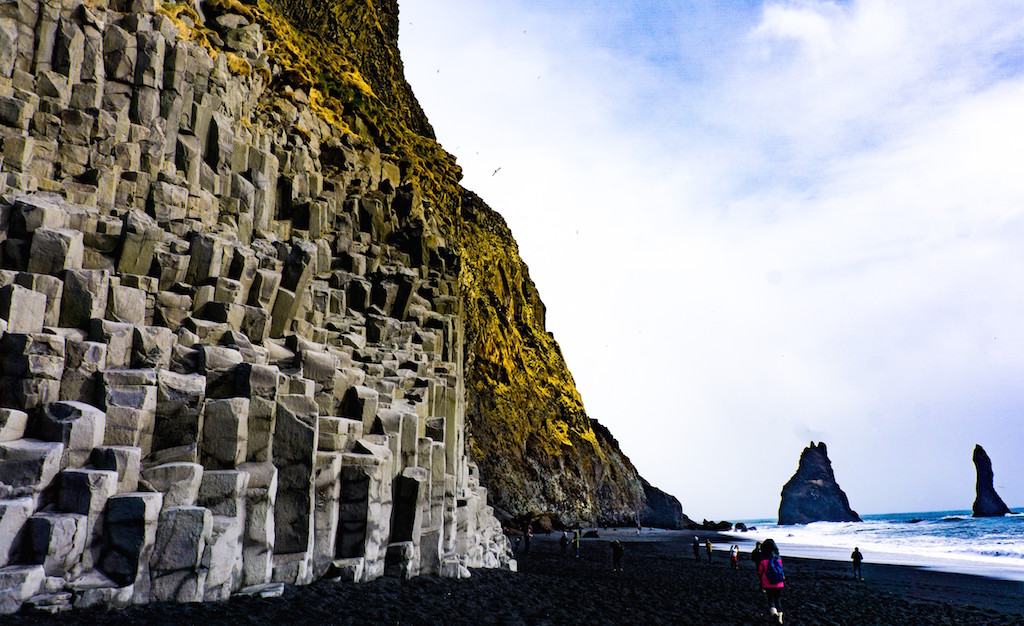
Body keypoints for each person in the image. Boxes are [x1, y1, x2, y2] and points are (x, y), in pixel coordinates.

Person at [757, 538, 785, 624]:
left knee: (770, 600)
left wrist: (760, 581)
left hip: (768, 584)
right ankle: (780, 618)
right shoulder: (778, 559)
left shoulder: (763, 560)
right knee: (778, 600)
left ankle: (774, 613)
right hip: (779, 583)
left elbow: (760, 572)